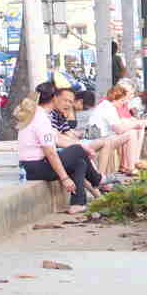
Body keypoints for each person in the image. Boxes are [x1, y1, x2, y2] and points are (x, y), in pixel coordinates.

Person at [15, 83, 103, 214]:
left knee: (79, 162)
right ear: (54, 98)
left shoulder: (36, 114)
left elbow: (56, 139)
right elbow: (50, 152)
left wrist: (83, 146)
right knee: (77, 150)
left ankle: (78, 203)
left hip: (31, 166)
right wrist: (65, 178)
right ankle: (98, 179)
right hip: (35, 167)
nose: (68, 104)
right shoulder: (41, 119)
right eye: (64, 100)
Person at [89, 85, 147, 176]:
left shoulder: (106, 105)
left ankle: (131, 164)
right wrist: (138, 124)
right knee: (131, 133)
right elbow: (119, 129)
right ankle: (130, 167)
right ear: (115, 99)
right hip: (98, 139)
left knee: (131, 131)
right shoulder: (109, 108)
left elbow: (119, 126)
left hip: (98, 137)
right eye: (122, 100)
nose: (123, 103)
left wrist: (138, 124)